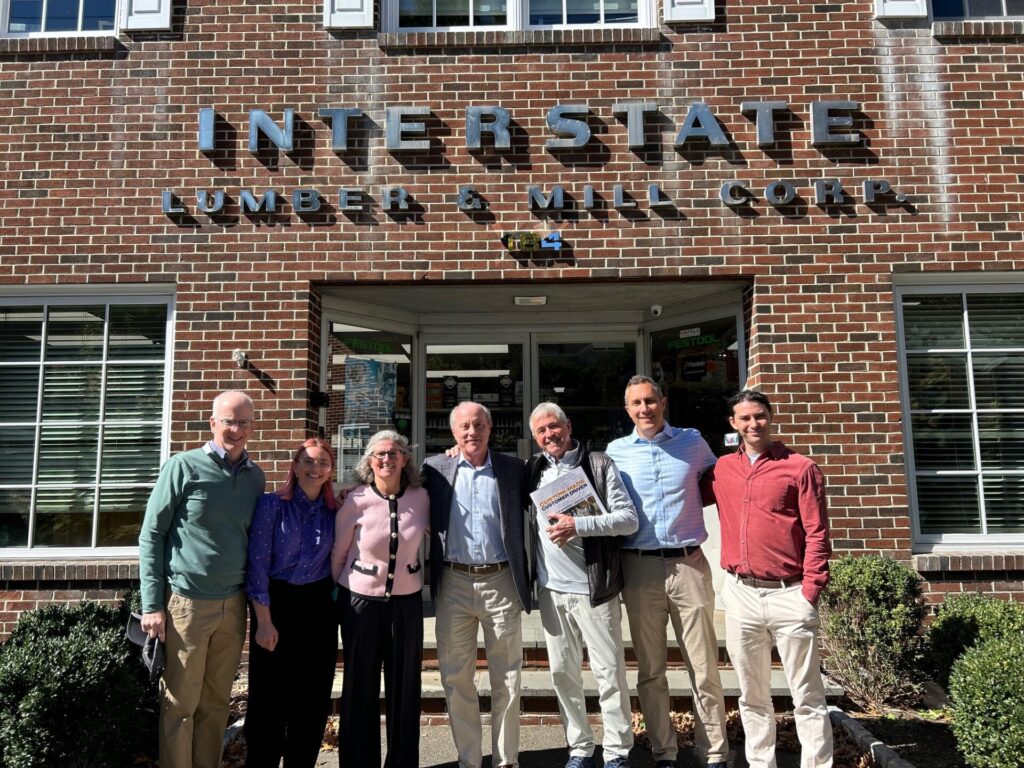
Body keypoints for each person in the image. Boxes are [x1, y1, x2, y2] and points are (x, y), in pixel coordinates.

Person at [605, 375, 729, 768]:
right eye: (636, 403)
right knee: (651, 669)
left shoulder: (692, 443)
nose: (645, 409)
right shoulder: (615, 451)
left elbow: (723, 482)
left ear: (664, 402)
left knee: (704, 666)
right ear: (627, 410)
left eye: (651, 401)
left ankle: (714, 753)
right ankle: (664, 752)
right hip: (638, 568)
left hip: (688, 564)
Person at [138, 390, 266, 768]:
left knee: (215, 704)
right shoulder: (183, 467)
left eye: (244, 422)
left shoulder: (255, 478)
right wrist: (152, 605)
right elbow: (152, 535)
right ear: (213, 423)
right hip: (187, 605)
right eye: (229, 421)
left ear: (252, 428)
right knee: (179, 705)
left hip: (234, 605)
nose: (236, 429)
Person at [706, 390, 833, 768]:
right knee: (752, 694)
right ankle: (761, 763)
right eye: (744, 418)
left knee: (807, 694)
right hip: (741, 593)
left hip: (790, 592)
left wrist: (811, 589)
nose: (753, 424)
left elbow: (818, 533)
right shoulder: (721, 469)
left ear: (770, 417)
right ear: (733, 424)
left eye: (759, 416)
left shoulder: (800, 468)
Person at [526, 403, 638, 768]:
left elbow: (628, 520)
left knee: (608, 672)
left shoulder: (599, 465)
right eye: (541, 431)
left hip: (595, 588)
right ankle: (580, 747)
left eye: (554, 426)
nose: (549, 435)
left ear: (568, 426)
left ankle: (618, 750)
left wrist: (579, 526)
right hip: (551, 590)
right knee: (562, 674)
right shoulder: (534, 469)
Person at [423, 401, 531, 768]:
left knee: (508, 677)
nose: (472, 432)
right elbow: (393, 487)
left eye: (479, 425)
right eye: (465, 427)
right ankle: (469, 760)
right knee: (456, 678)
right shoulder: (435, 469)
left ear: (490, 428)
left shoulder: (513, 468)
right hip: (453, 582)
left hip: (501, 581)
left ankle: (506, 760)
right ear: (453, 433)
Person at [331, 430, 430, 768]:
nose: (386, 459)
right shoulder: (354, 500)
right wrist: (340, 595)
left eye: (393, 453)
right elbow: (338, 555)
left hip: (407, 603)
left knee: (405, 686)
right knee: (360, 684)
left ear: (405, 459)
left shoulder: (422, 498)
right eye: (379, 454)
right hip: (360, 602)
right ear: (369, 461)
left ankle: (402, 762)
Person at [244, 438, 339, 768]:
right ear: (295, 467)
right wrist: (264, 621)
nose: (315, 469)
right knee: (270, 699)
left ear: (331, 471)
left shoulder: (334, 511)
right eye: (308, 462)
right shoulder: (272, 505)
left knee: (311, 699)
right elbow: (256, 564)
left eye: (322, 463)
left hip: (318, 608)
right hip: (276, 605)